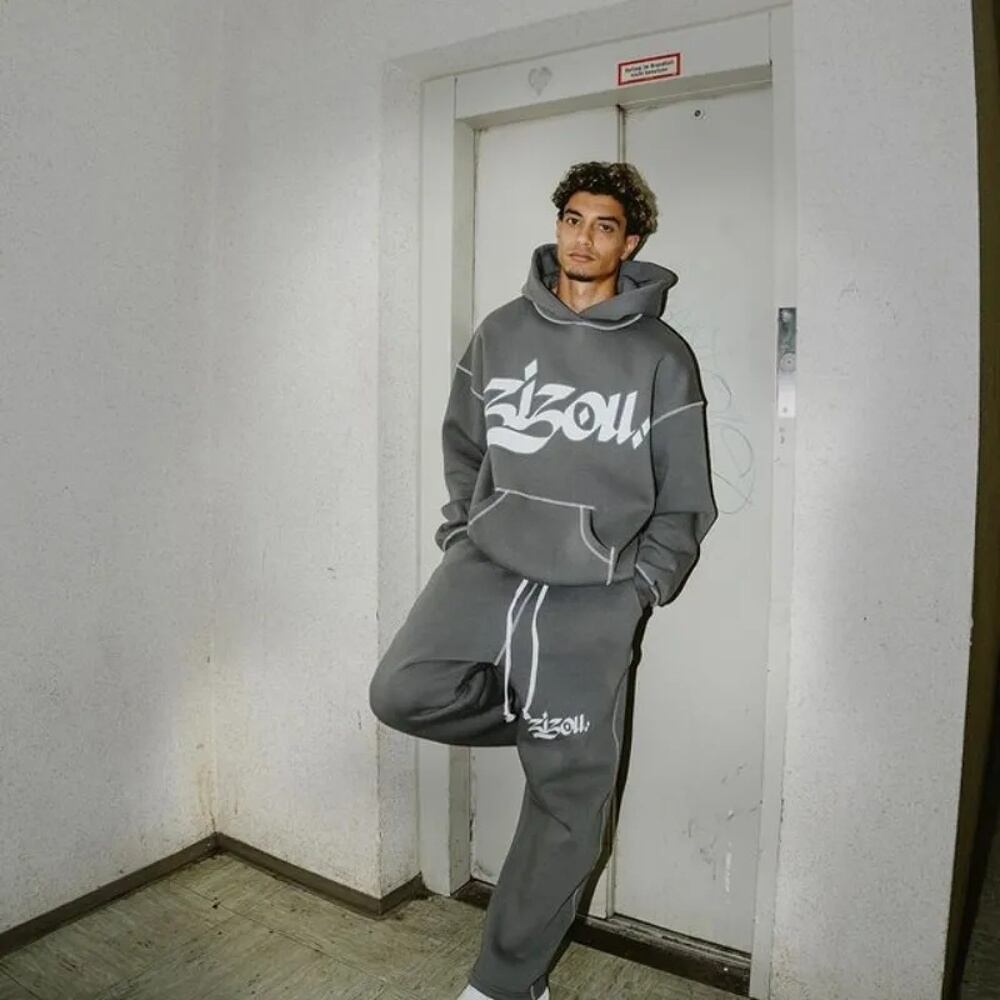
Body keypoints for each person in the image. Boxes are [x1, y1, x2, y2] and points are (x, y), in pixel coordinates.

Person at [369, 161, 717, 1000]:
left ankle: (506, 983)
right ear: (557, 224)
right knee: (401, 691)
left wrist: (642, 585)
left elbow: (684, 497)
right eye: (572, 219)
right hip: (488, 563)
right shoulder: (501, 331)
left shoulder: (661, 356)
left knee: (568, 795)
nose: (583, 238)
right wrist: (464, 529)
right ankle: (545, 724)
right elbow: (464, 441)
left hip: (595, 591)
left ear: (630, 242)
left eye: (605, 226)